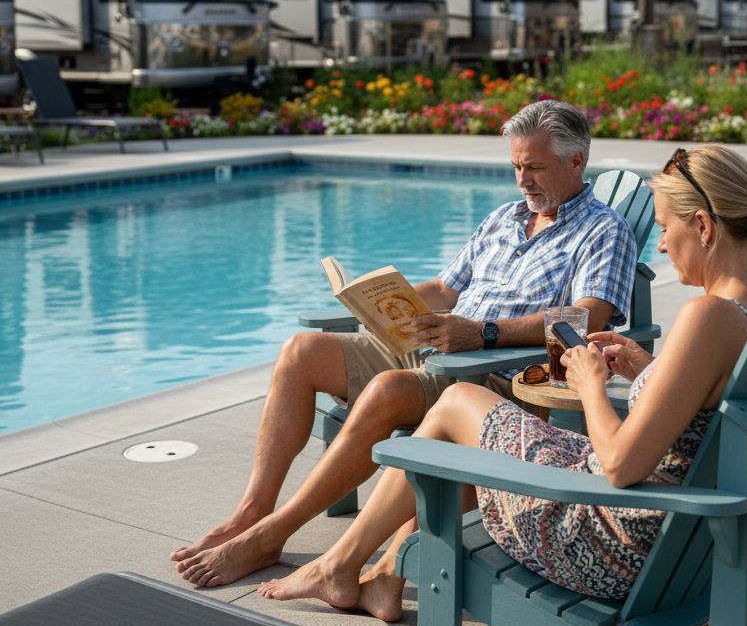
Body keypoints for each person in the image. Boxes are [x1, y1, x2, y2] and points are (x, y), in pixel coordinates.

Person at [254, 144, 747, 621]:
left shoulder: (710, 315)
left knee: (455, 412)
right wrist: (643, 367)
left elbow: (621, 465)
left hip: (619, 542)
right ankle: (375, 573)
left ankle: (341, 566)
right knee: (467, 417)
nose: (659, 244)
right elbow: (701, 400)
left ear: (703, 226)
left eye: (664, 228)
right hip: (689, 537)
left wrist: (588, 382)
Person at [173, 99, 639, 587]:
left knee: (388, 389)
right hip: (438, 342)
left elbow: (585, 318)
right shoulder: (505, 217)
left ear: (576, 162)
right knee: (299, 352)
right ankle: (252, 511)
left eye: (535, 168)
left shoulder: (603, 231)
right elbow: (446, 289)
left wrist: (483, 334)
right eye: (517, 166)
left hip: (492, 370)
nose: (523, 180)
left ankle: (271, 537)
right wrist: (380, 300)